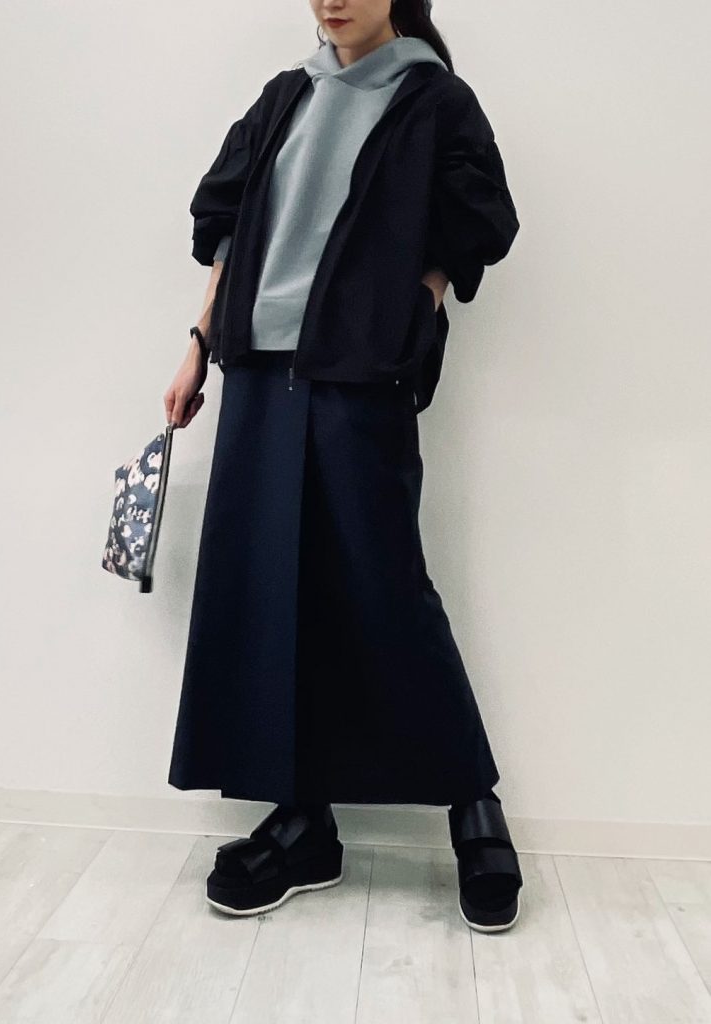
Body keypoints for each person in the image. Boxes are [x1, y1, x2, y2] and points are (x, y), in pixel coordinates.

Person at [164, 0, 523, 933]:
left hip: (359, 374)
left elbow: (475, 228)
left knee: (384, 585)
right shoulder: (284, 96)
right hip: (257, 372)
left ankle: (473, 802)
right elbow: (228, 228)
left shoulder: (435, 100)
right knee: (267, 591)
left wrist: (415, 308)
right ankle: (303, 823)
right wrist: (198, 344)